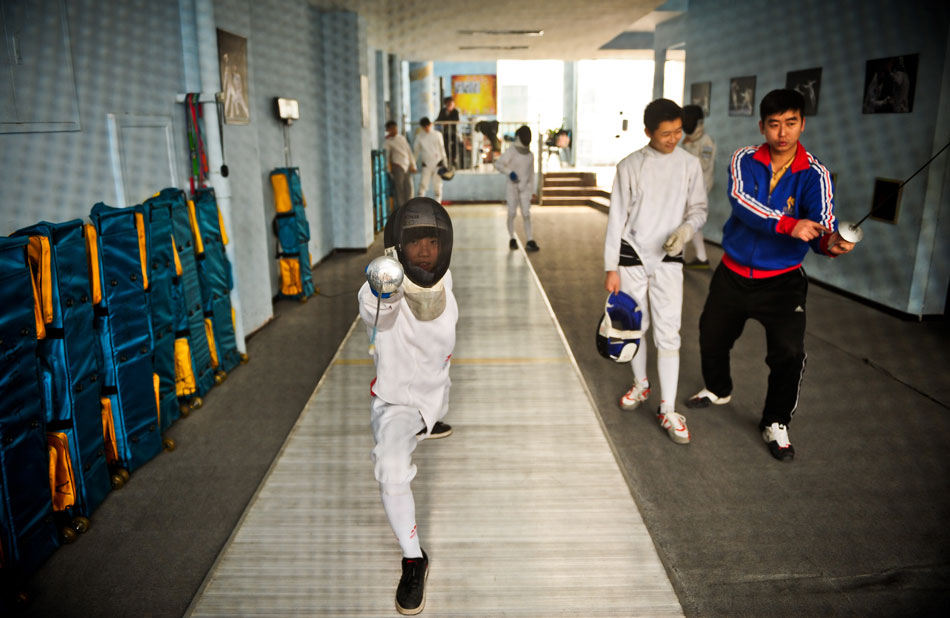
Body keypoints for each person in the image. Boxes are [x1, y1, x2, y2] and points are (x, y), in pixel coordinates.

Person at [685, 89, 855, 462]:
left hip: (782, 281)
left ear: (802, 124)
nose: (783, 133)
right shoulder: (743, 159)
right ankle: (718, 388)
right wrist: (788, 224)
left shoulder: (816, 174)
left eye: (791, 123)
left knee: (789, 353)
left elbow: (822, 225)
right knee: (711, 336)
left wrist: (831, 244)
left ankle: (776, 421)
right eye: (774, 124)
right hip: (732, 273)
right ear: (762, 126)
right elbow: (742, 203)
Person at [359, 198, 457, 615]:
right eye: (414, 241)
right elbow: (380, 316)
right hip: (397, 399)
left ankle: (429, 421)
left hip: (434, 393)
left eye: (431, 242)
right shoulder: (378, 289)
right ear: (397, 247)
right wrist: (388, 290)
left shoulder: (445, 281)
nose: (423, 250)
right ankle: (414, 558)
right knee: (391, 467)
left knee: (431, 407)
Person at [604, 98, 707, 445]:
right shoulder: (630, 165)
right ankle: (641, 385)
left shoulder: (689, 165)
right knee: (634, 325)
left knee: (668, 334)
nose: (673, 138)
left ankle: (668, 408)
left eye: (678, 131)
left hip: (669, 255)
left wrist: (686, 233)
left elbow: (698, 209)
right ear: (648, 132)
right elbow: (616, 218)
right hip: (632, 252)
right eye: (665, 134)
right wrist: (610, 267)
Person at [679, 104, 716, 269]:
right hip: (688, 187)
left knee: (686, 221)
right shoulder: (690, 140)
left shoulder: (706, 141)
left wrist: (687, 147)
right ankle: (701, 258)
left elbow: (702, 165)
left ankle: (678, 258)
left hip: (700, 188)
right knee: (691, 221)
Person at [494, 125, 538, 251]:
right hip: (512, 186)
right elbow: (498, 164)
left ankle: (530, 240)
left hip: (525, 188)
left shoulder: (530, 155)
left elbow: (531, 174)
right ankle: (512, 238)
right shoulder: (511, 151)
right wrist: (509, 172)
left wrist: (533, 191)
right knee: (512, 213)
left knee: (526, 213)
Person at [413, 117, 448, 204]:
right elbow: (415, 152)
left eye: (427, 126)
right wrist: (413, 164)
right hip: (426, 164)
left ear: (431, 124)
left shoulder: (437, 134)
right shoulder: (419, 137)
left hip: (438, 163)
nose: (427, 128)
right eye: (424, 127)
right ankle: (420, 205)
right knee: (423, 185)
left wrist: (445, 163)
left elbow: (442, 149)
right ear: (421, 127)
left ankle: (438, 204)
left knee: (438, 185)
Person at [384, 121, 416, 210]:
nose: (394, 130)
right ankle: (401, 210)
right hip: (397, 166)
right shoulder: (388, 142)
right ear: (388, 130)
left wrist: (413, 164)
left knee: (409, 188)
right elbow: (386, 156)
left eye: (395, 128)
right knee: (399, 190)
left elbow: (409, 152)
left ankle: (410, 208)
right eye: (392, 129)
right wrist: (388, 170)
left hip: (407, 165)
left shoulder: (402, 138)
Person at [436, 96, 460, 169]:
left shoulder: (455, 111)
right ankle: (446, 159)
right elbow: (438, 120)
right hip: (445, 132)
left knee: (456, 144)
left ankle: (454, 159)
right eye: (448, 104)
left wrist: (446, 122)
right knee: (444, 145)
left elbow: (456, 120)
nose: (449, 105)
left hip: (453, 132)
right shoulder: (443, 111)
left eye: (451, 103)